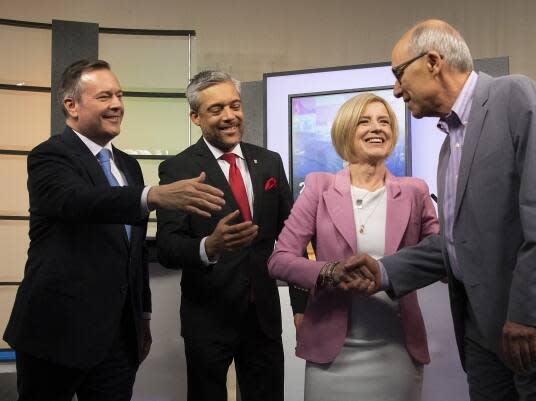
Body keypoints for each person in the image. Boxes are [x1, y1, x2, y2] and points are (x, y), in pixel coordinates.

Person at [343, 19, 536, 400]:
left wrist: (528, 314)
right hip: (485, 336)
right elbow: (458, 243)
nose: (395, 89)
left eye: (398, 74)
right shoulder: (448, 146)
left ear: (433, 61)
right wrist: (384, 270)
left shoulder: (514, 96)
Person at [3, 59, 225, 401]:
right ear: (71, 105)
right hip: (55, 334)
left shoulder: (129, 166)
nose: (117, 105)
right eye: (105, 96)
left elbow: (132, 252)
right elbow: (79, 201)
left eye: (119, 95)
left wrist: (144, 316)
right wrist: (153, 195)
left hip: (118, 340)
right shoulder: (49, 156)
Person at [268, 93, 439, 401]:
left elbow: (442, 255)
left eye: (384, 121)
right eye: (365, 120)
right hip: (332, 355)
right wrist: (329, 271)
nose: (377, 128)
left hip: (396, 348)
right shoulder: (318, 186)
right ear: (347, 130)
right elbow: (279, 260)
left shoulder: (416, 191)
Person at [156, 70, 304, 401]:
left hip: (263, 315)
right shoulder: (178, 169)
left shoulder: (268, 162)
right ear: (195, 116)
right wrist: (210, 246)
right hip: (208, 317)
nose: (229, 116)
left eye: (234, 105)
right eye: (216, 109)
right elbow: (167, 247)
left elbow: (293, 235)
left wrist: (301, 302)